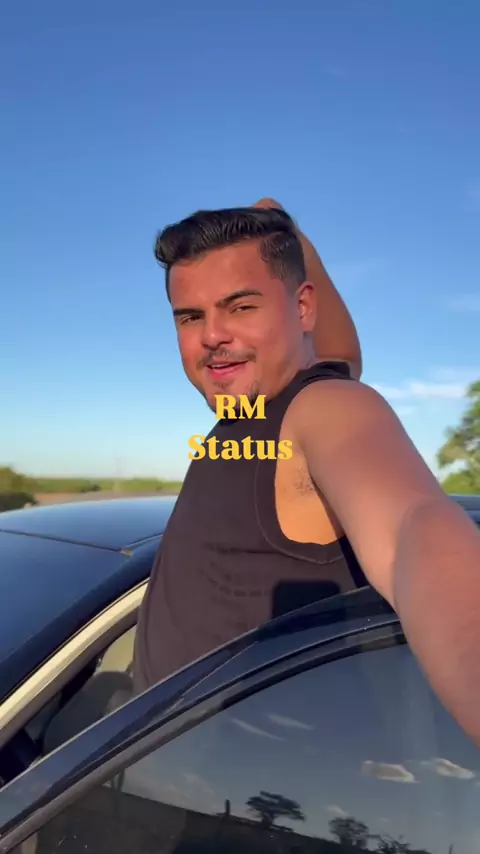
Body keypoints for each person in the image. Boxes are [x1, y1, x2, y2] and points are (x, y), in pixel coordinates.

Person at [133, 203, 480, 748]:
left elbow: (413, 528)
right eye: (190, 317)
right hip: (144, 755)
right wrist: (297, 237)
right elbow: (343, 351)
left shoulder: (327, 409)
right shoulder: (257, 406)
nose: (212, 335)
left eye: (241, 307)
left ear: (302, 307)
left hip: (226, 790)